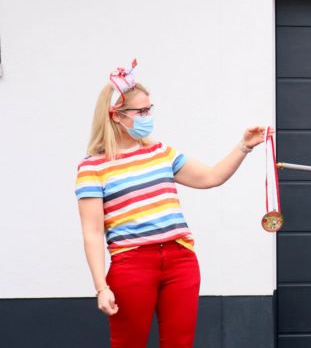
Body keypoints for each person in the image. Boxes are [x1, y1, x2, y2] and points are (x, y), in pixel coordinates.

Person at [75, 60, 267, 347]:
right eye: (140, 111)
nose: (147, 116)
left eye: (149, 109)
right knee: (129, 343)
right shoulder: (93, 167)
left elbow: (211, 177)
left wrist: (244, 146)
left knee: (180, 342)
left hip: (180, 260)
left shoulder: (161, 153)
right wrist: (101, 287)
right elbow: (92, 233)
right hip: (132, 264)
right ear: (115, 115)